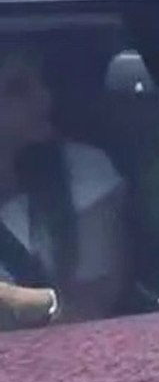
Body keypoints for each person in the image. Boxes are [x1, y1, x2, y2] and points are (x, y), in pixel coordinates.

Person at [0, 44, 129, 329]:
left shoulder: (81, 171)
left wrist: (20, 302)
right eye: (17, 89)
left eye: (41, 81)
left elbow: (91, 303)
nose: (44, 97)